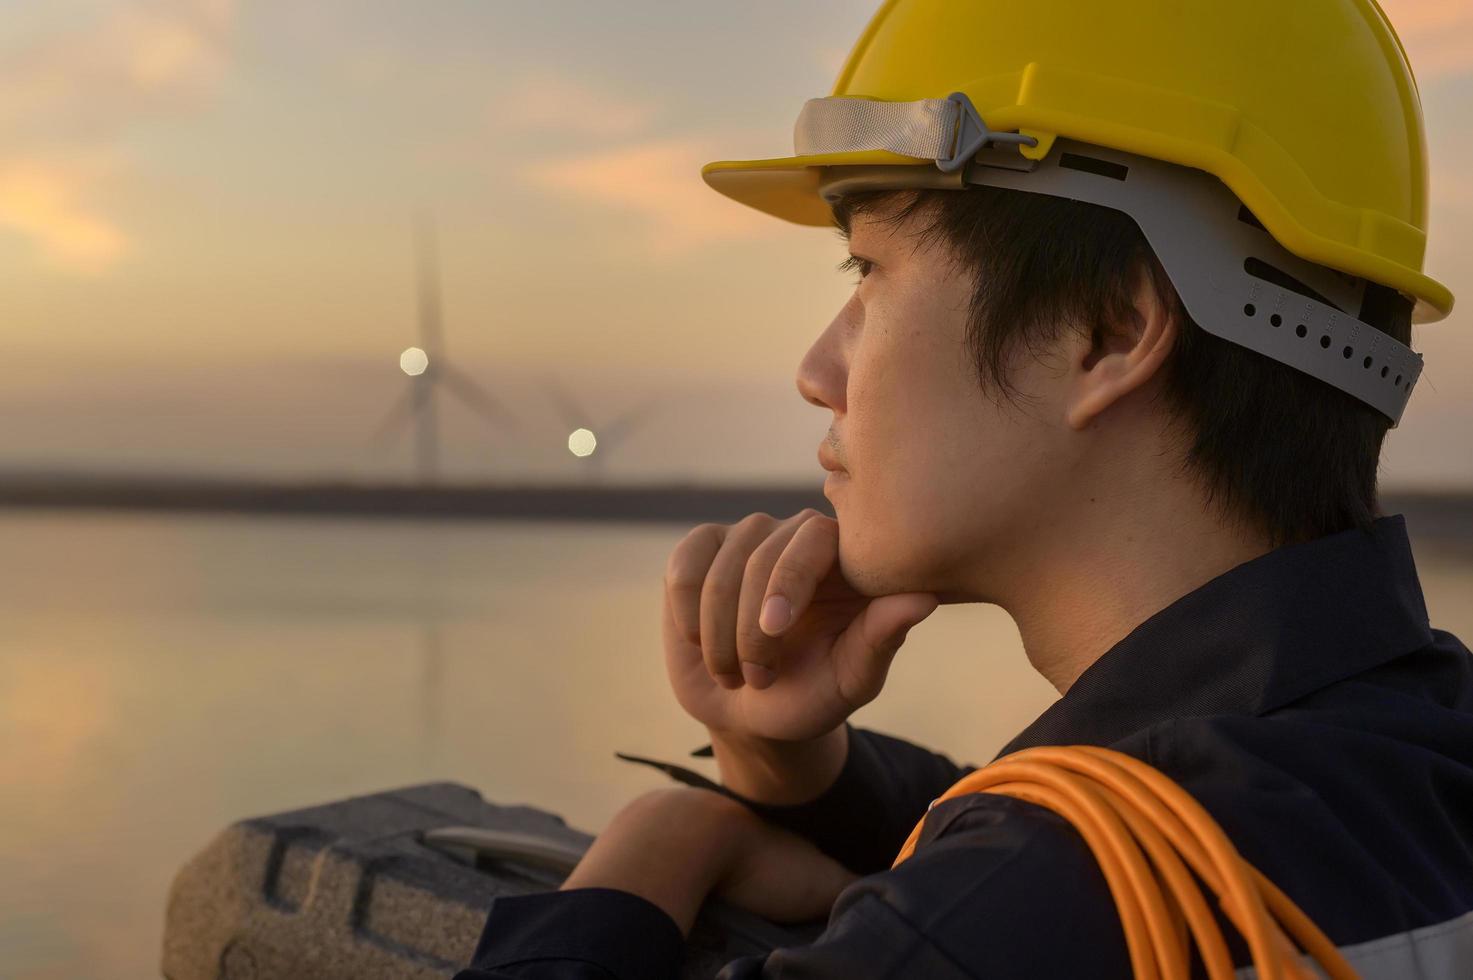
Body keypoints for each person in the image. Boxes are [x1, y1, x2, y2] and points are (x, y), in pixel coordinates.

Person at [455, 0, 1473, 976]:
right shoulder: (1421, 759)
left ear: (1105, 329)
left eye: (869, 272)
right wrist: (806, 779)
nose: (818, 369)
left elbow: (1039, 894)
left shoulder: (1014, 914)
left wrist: (649, 853)